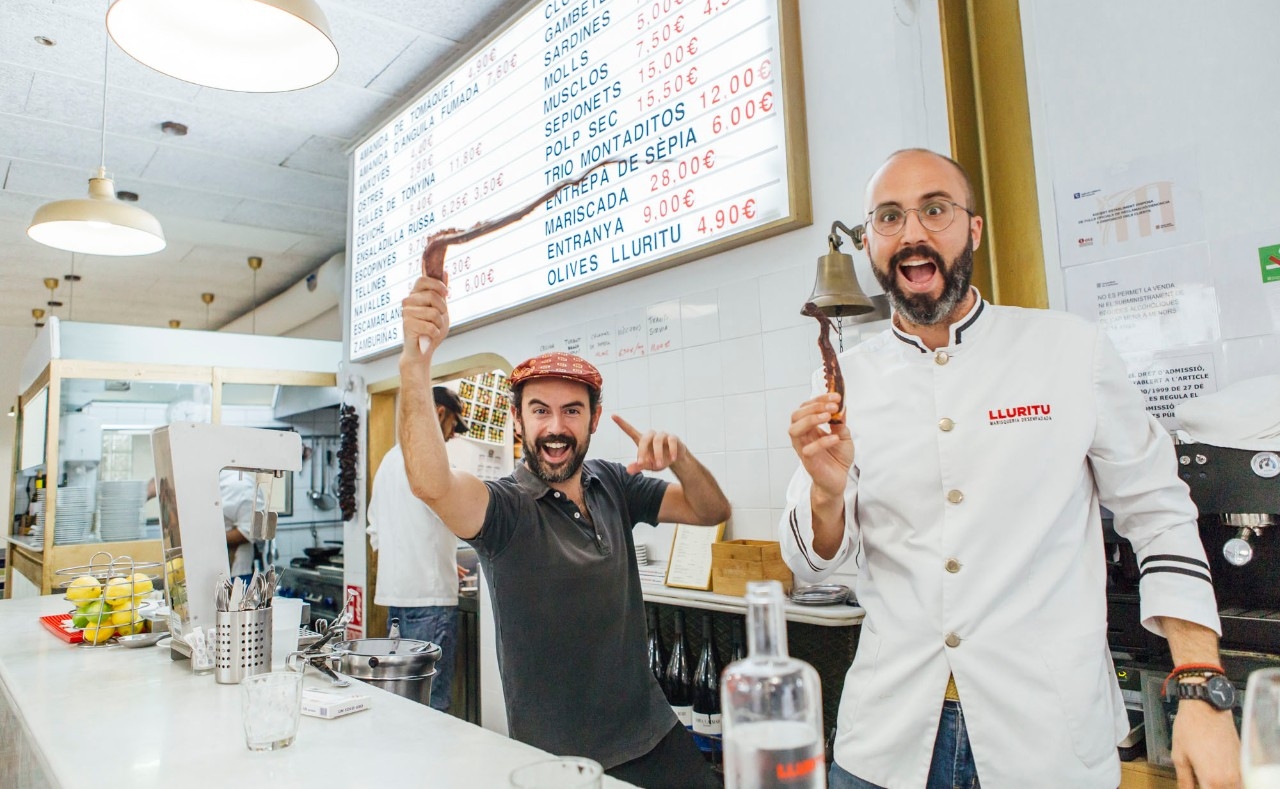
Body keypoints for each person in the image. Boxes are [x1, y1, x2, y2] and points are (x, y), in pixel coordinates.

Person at [780, 148, 1240, 788]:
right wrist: (827, 496)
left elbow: (1159, 513)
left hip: (1045, 737)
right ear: (870, 243)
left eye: (934, 209)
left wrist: (1199, 684)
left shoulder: (1069, 350)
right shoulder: (846, 377)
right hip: (888, 741)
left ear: (972, 228)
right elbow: (813, 564)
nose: (912, 232)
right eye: (889, 217)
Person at [398, 275, 732, 789]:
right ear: (517, 420)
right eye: (540, 411)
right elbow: (430, 483)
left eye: (572, 411)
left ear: (594, 419)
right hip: (561, 761)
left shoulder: (613, 483)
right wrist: (414, 365)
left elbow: (710, 510)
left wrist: (681, 459)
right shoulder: (504, 509)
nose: (556, 426)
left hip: (655, 732)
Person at [367, 385, 470, 711]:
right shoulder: (430, 460)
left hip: (396, 600)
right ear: (439, 414)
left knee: (403, 699)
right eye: (454, 425)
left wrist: (434, 557)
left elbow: (377, 532)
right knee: (431, 702)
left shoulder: (390, 460)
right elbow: (460, 520)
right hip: (431, 601)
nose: (453, 435)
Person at [220, 471, 263, 580]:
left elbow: (252, 530)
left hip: (238, 574)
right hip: (209, 571)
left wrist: (206, 540)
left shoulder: (241, 485)